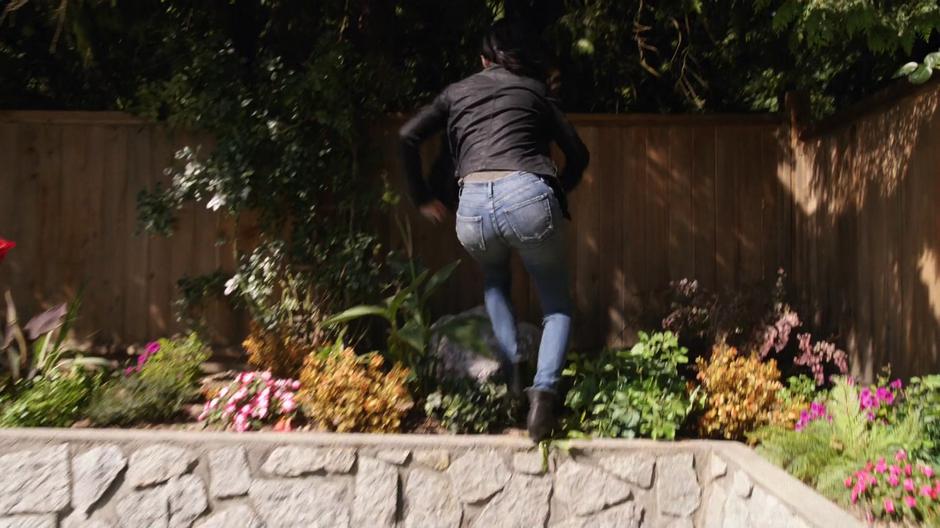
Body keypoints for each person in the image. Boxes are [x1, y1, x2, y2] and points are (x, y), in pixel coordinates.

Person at [398, 20, 589, 441]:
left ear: (483, 59)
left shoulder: (456, 92)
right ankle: (543, 394)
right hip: (528, 194)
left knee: (494, 282)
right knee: (556, 306)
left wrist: (423, 197)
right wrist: (557, 192)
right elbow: (578, 153)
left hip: (472, 206)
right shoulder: (534, 91)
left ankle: (515, 364)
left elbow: (408, 137)